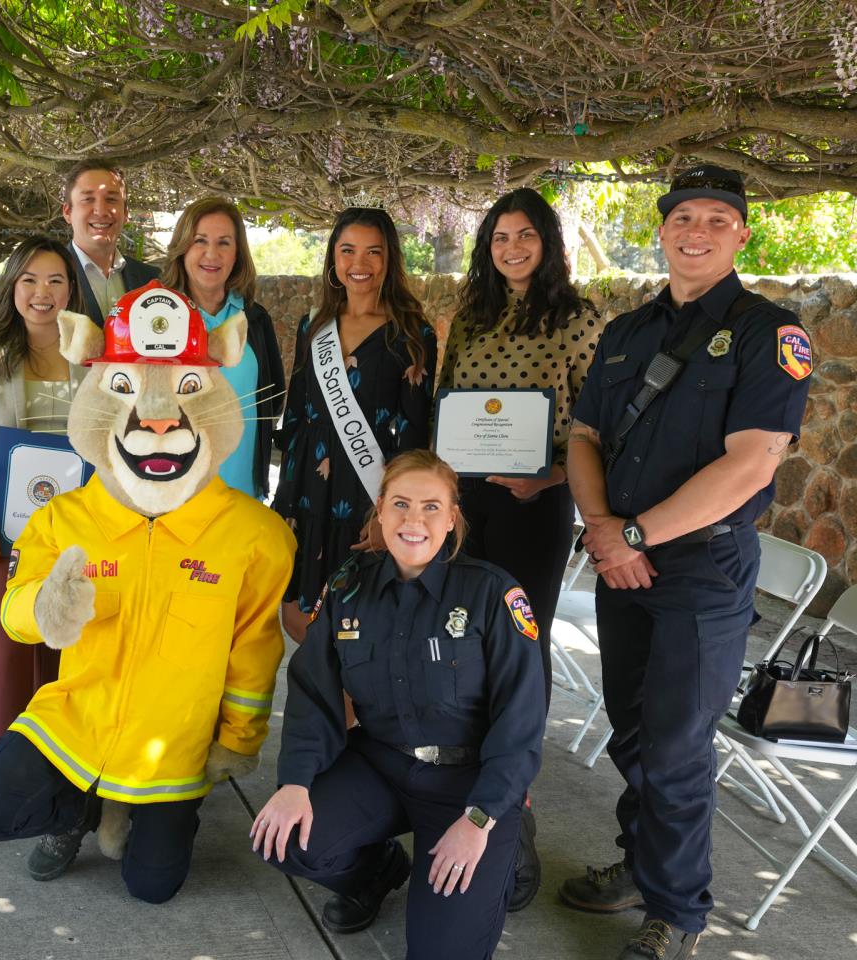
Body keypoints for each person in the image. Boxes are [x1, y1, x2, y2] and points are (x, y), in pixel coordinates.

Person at [0, 283, 295, 905]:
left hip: (174, 745)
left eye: (189, 388)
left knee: (152, 887)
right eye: (124, 388)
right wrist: (45, 607)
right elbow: (13, 615)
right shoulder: (63, 518)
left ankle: (164, 813)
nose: (160, 418)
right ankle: (75, 813)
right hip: (76, 724)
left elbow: (255, 649)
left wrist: (237, 740)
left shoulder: (256, 536)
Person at [560, 166, 811, 960]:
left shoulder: (774, 332)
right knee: (632, 732)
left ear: (741, 234)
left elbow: (752, 464)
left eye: (715, 219)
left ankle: (678, 912)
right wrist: (604, 529)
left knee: (675, 746)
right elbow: (585, 438)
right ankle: (642, 865)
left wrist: (633, 538)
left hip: (700, 569)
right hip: (621, 559)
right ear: (663, 228)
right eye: (682, 217)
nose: (695, 231)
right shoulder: (627, 332)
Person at [252, 450, 545, 959]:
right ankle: (378, 871)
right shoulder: (348, 586)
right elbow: (313, 692)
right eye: (401, 504)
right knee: (284, 838)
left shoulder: (493, 594)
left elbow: (520, 724)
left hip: (468, 785)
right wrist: (295, 783)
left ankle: (508, 836)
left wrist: (480, 819)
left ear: (452, 517)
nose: (415, 520)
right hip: (383, 763)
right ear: (380, 511)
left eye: (432, 507)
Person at [440, 188, 604, 909]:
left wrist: (546, 476)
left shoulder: (578, 319)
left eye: (525, 236)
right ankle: (460, 769)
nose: (512, 248)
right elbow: (447, 402)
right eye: (500, 236)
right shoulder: (472, 316)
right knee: (461, 635)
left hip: (537, 505)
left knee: (521, 641)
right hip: (469, 502)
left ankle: (517, 797)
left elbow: (593, 425)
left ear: (547, 242)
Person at [0, 236, 87, 765]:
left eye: (55, 280)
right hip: (4, 531)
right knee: (7, 646)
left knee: (65, 644)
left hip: (77, 531)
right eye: (29, 279)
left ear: (70, 289)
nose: (42, 292)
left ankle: (57, 762)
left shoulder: (91, 352)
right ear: (13, 287)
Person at [272, 206, 437, 643]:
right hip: (308, 487)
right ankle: (323, 708)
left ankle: (350, 711)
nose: (359, 264)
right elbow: (295, 417)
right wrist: (284, 504)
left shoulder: (412, 333)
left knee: (358, 622)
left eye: (373, 252)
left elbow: (416, 435)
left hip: (367, 494)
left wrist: (392, 511)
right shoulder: (314, 325)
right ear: (333, 259)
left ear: (390, 260)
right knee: (297, 618)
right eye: (347, 251)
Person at [159, 196, 285, 499]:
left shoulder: (254, 318)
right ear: (182, 247)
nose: (211, 254)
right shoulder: (157, 317)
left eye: (224, 243)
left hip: (241, 493)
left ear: (237, 253)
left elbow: (272, 398)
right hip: (172, 494)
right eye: (200, 241)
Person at [62, 159, 160, 326]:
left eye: (111, 199)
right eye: (88, 199)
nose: (101, 211)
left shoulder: (152, 280)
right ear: (68, 212)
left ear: (126, 213)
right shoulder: (49, 278)